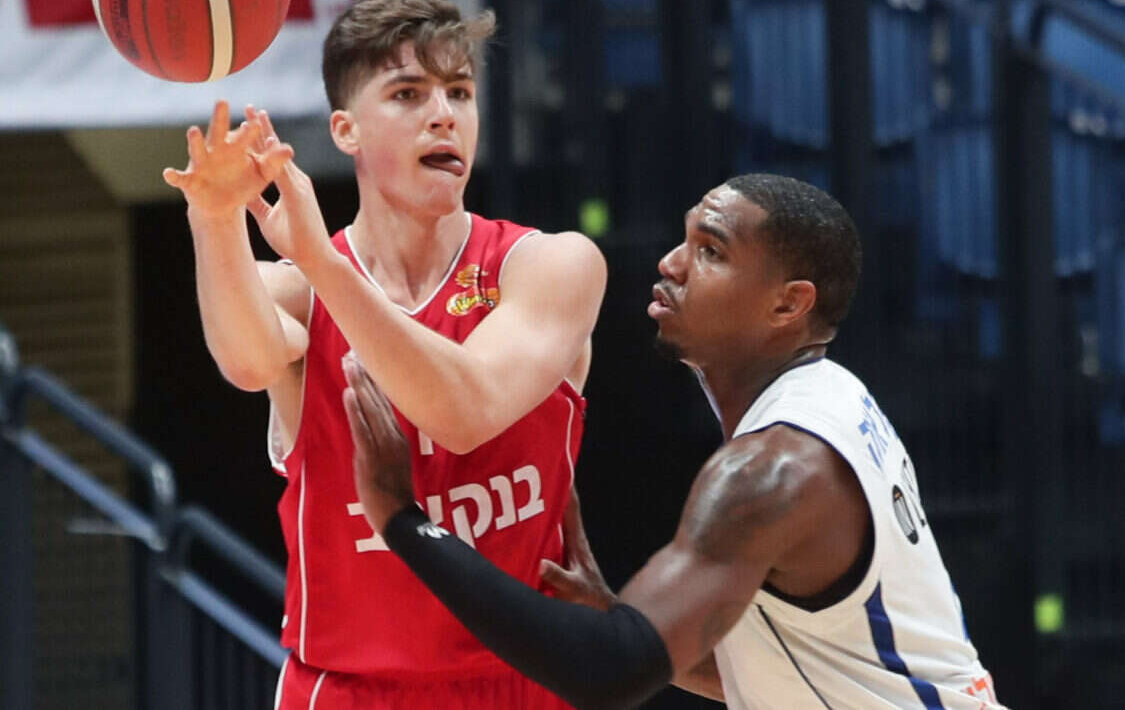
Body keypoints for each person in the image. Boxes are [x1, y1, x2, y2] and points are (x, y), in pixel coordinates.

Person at [342, 173, 1006, 709]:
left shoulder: (773, 469)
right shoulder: (833, 399)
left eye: (711, 251)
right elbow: (777, 674)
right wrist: (615, 614)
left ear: (788, 304)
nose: (672, 262)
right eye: (686, 239)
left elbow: (606, 674)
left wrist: (403, 519)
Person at [161, 0, 606, 709]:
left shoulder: (550, 265)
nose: (444, 114)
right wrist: (213, 219)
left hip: (525, 681)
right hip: (352, 689)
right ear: (347, 129)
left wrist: (323, 263)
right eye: (408, 93)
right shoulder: (299, 291)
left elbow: (465, 412)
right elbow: (246, 361)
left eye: (459, 92)